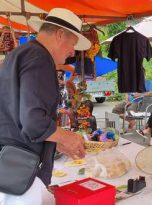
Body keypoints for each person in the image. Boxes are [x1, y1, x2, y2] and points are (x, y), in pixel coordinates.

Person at [0, 8, 90, 204]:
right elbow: (33, 122)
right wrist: (67, 137)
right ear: (59, 35)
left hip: (10, 165)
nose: (73, 52)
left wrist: (56, 142)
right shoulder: (40, 59)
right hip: (21, 169)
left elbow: (17, 115)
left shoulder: (21, 54)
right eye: (73, 44)